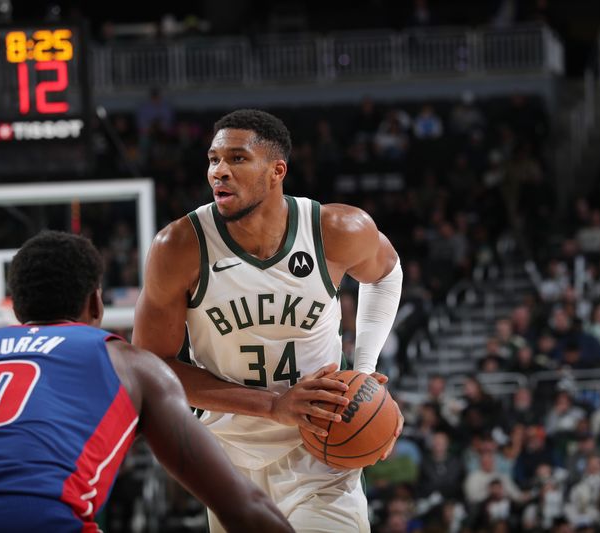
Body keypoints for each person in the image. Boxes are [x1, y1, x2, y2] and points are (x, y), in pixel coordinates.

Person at [0, 230, 292, 533]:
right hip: (36, 517)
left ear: (16, 306)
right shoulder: (130, 363)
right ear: (96, 302)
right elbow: (241, 506)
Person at [133, 108, 404, 532]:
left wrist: (365, 372)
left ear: (277, 170)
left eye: (237, 158)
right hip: (229, 463)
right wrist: (272, 406)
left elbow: (387, 273)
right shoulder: (179, 247)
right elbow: (152, 368)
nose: (219, 171)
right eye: (213, 160)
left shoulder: (335, 229)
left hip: (321, 450)